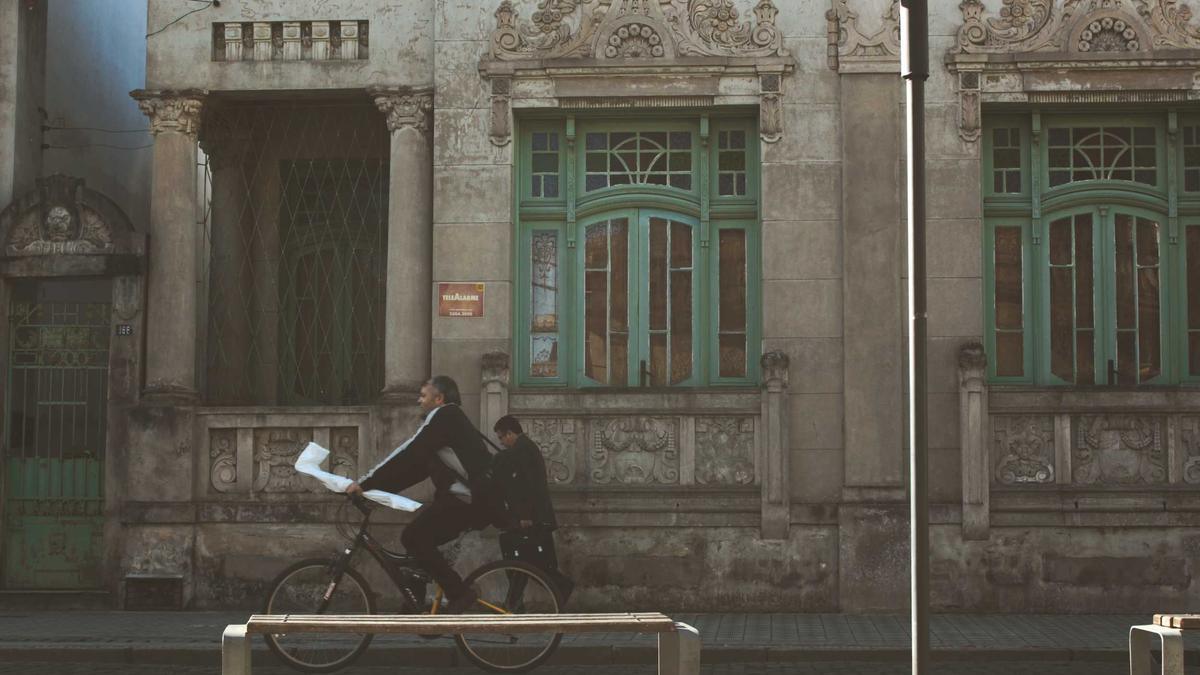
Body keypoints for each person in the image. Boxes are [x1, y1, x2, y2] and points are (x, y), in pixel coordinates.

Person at [345, 375, 490, 613]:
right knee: (418, 542)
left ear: (439, 398)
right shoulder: (447, 423)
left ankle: (460, 594)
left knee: (414, 537)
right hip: (464, 500)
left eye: (423, 396)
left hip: (467, 500)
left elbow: (408, 453)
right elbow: (415, 470)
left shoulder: (444, 416)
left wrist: (364, 483)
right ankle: (417, 606)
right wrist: (373, 493)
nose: (419, 401)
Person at [492, 415, 574, 604]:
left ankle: (517, 603)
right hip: (535, 519)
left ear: (510, 433)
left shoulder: (524, 450)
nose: (502, 443)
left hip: (532, 520)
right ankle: (515, 603)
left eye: (502, 438)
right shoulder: (523, 449)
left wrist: (525, 516)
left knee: (526, 563)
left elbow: (527, 486)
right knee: (526, 562)